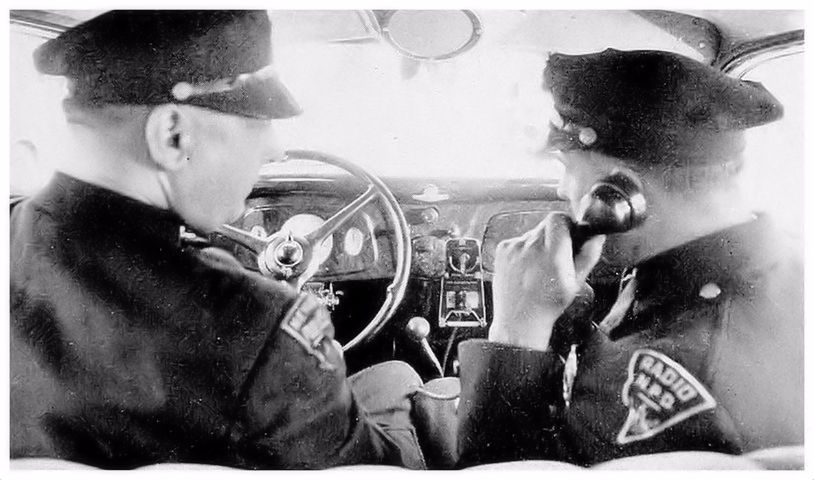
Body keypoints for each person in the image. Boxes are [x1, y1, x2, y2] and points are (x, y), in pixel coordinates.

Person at [10, 10, 428, 469]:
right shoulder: (263, 331)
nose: (274, 150)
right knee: (401, 379)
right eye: (258, 121)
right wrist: (511, 331)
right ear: (172, 136)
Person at [457, 49, 803, 467]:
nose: (563, 190)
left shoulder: (660, 377)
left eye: (568, 168)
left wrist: (516, 330)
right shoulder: (781, 266)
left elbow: (499, 472)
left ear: (621, 193)